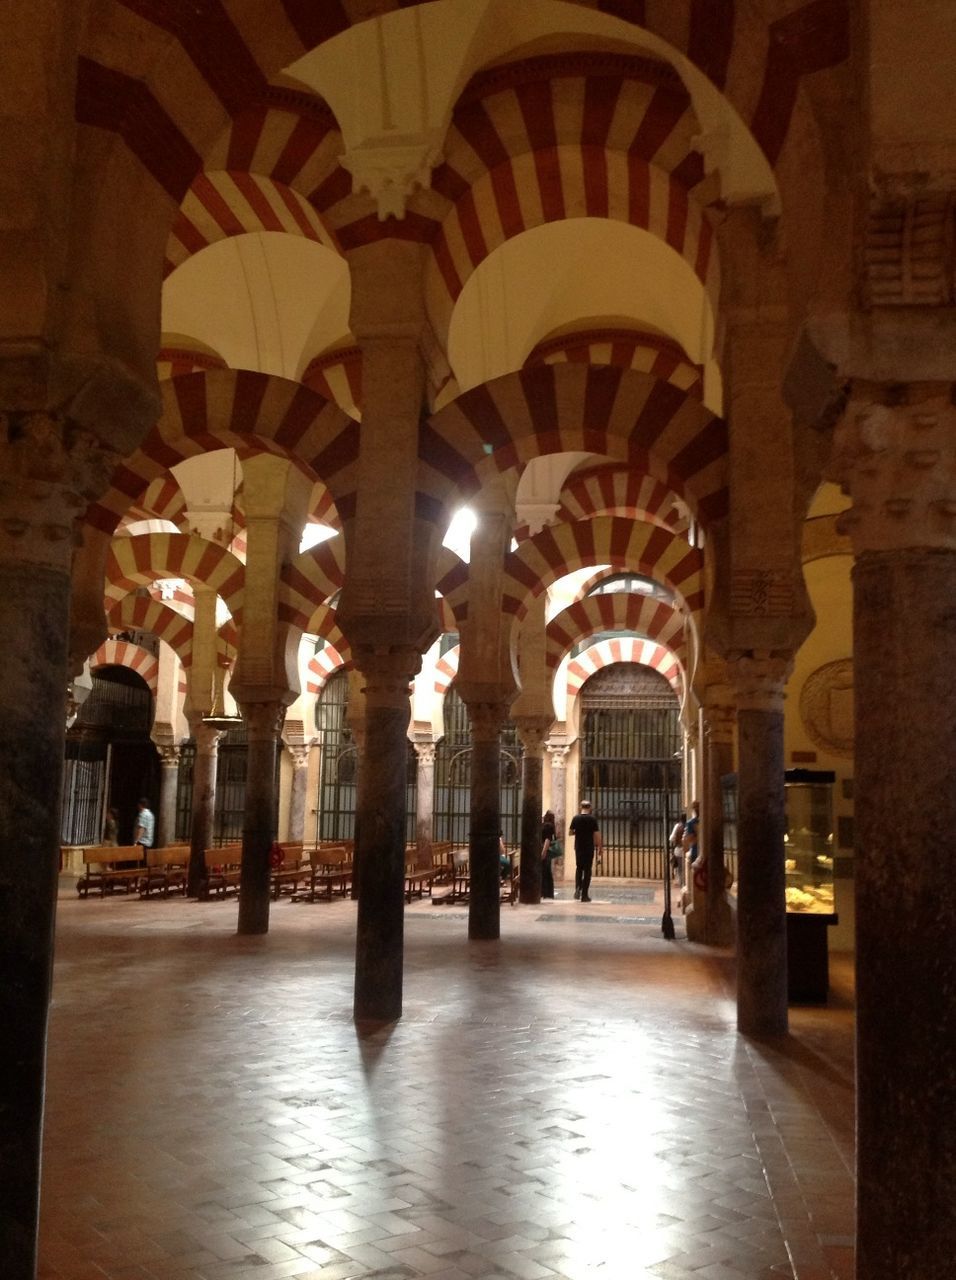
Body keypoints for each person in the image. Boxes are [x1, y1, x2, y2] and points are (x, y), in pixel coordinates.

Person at [569, 799, 601, 902]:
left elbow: (570, 832)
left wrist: (578, 832)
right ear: (590, 808)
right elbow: (596, 835)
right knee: (587, 870)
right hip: (588, 848)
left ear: (580, 807)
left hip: (578, 847)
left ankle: (578, 887)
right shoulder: (592, 819)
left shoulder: (576, 818)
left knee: (579, 868)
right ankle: (584, 895)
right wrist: (599, 847)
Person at [541, 809, 558, 899]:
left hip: (545, 850)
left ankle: (545, 892)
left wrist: (543, 852)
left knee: (545, 872)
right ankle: (548, 893)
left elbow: (547, 840)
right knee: (547, 872)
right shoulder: (552, 826)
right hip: (547, 851)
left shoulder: (547, 826)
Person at [682, 800, 700, 865]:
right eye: (695, 807)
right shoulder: (691, 823)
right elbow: (689, 839)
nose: (696, 809)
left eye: (697, 807)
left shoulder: (705, 821)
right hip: (695, 852)